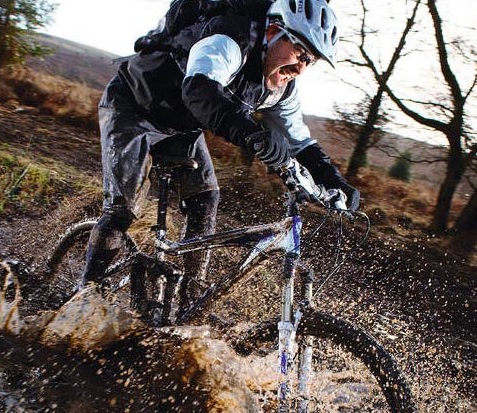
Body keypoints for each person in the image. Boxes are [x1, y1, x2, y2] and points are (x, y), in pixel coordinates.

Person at [81, 0, 360, 318]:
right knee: (122, 209)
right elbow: (200, 91)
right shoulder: (229, 40)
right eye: (300, 53)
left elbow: (300, 143)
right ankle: (86, 297)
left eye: (312, 61)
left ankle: (189, 304)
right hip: (133, 107)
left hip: (180, 127)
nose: (301, 69)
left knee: (206, 198)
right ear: (272, 31)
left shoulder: (282, 88)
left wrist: (334, 180)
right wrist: (254, 135)